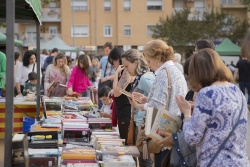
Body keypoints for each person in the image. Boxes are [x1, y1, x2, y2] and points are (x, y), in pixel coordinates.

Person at [176, 48, 249, 167]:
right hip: (239, 161)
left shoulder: (206, 93)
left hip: (215, 162)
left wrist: (187, 113)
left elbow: (191, 138)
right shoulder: (237, 91)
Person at [128, 40, 187, 166]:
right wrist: (147, 99)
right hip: (174, 130)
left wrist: (139, 105)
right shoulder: (176, 71)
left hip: (162, 132)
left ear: (158, 57)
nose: (148, 65)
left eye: (149, 61)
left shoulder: (163, 74)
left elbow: (157, 106)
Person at [121, 49, 155, 167]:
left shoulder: (145, 78)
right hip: (140, 124)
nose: (125, 69)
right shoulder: (139, 77)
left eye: (127, 66)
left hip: (144, 125)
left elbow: (156, 99)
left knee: (145, 161)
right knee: (142, 160)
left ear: (135, 62)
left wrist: (140, 104)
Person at [109, 47, 132, 145]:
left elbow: (117, 92)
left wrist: (116, 74)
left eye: (113, 61)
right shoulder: (123, 71)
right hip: (122, 110)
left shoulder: (126, 71)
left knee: (126, 143)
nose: (113, 65)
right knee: (124, 141)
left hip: (125, 111)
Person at [234, 31, 250, 110]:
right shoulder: (249, 62)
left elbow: (236, 72)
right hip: (249, 80)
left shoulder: (239, 62)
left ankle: (243, 105)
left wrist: (233, 79)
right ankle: (249, 104)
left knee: (242, 93)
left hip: (241, 80)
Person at [98, 42, 116, 109]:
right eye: (105, 50)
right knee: (102, 99)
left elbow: (115, 74)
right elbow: (99, 67)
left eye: (107, 50)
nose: (106, 52)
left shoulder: (114, 60)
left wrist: (107, 78)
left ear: (111, 49)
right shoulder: (104, 59)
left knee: (109, 99)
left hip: (111, 81)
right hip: (104, 81)